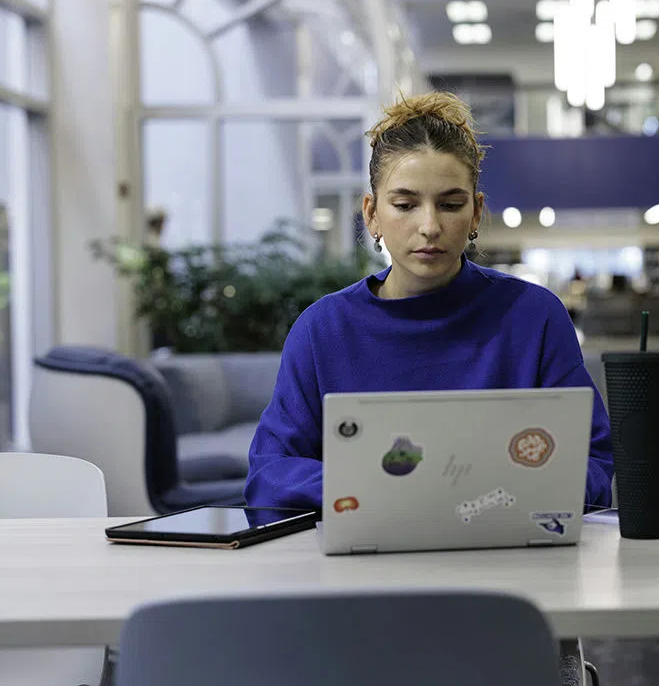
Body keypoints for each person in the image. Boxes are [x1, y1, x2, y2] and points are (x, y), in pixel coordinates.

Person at [245, 93, 614, 511]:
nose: (430, 226)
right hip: (364, 556)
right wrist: (379, 489)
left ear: (475, 214)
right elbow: (269, 474)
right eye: (404, 205)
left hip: (507, 548)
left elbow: (593, 463)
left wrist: (500, 490)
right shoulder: (323, 330)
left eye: (450, 205)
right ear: (372, 215)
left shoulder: (534, 317)